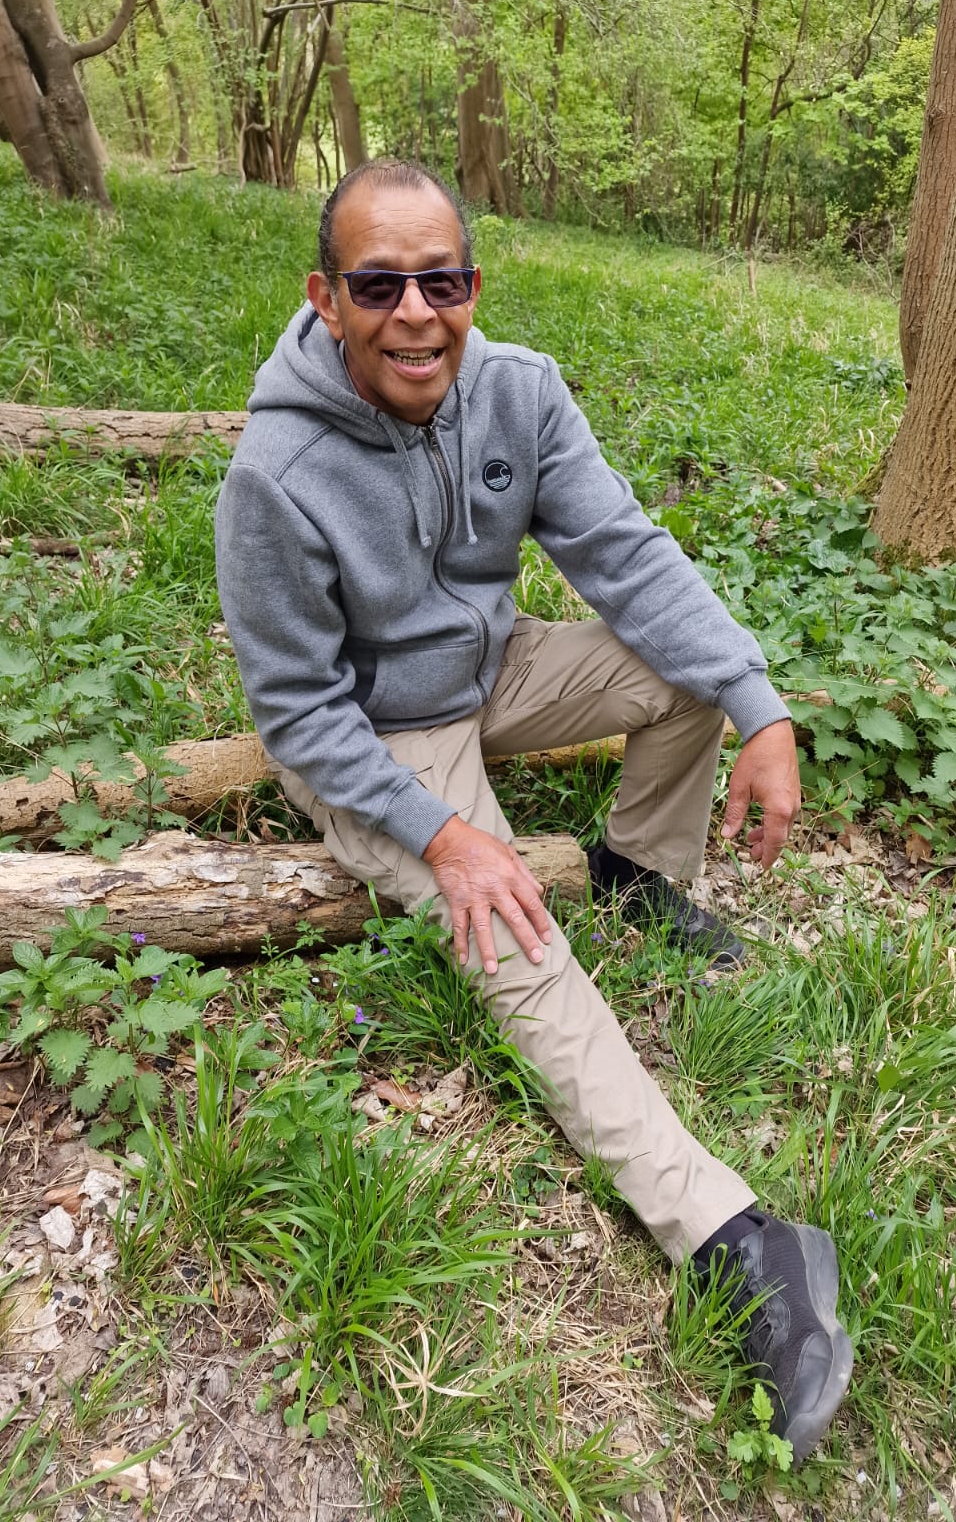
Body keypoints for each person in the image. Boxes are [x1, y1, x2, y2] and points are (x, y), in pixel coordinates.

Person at [214, 158, 853, 1464]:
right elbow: (297, 717)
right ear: (325, 298)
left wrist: (760, 704)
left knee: (682, 670)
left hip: (489, 667)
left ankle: (635, 867)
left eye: (438, 280)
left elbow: (627, 557)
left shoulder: (519, 392)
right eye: (378, 284)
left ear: (472, 285)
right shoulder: (273, 475)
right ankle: (738, 1240)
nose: (414, 313)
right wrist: (446, 833)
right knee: (514, 940)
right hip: (374, 739)